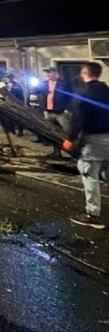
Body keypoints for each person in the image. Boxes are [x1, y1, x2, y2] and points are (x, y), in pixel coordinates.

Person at [64, 62, 109, 229]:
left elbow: (78, 118)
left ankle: (93, 215)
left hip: (94, 139)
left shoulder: (84, 91)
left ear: (85, 73)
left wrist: (70, 138)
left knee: (89, 173)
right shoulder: (106, 90)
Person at [36, 66, 71, 155]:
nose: (48, 74)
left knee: (67, 132)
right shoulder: (44, 84)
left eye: (50, 72)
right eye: (47, 72)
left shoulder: (64, 84)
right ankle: (56, 152)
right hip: (49, 112)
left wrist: (68, 109)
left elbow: (71, 97)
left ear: (55, 73)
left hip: (61, 112)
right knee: (52, 133)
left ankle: (72, 152)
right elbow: (35, 91)